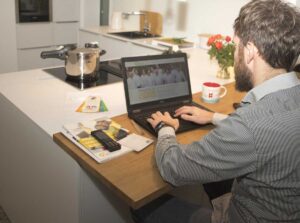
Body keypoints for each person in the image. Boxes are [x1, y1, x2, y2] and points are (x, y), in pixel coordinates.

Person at [131, 0, 300, 222]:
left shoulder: (248, 126)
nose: (234, 55)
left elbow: (173, 168)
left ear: (249, 52)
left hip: (243, 216)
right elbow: (262, 130)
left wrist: (164, 128)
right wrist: (213, 117)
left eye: (237, 46)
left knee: (141, 207)